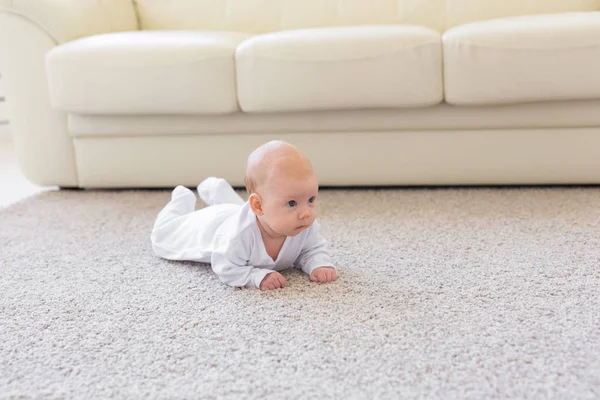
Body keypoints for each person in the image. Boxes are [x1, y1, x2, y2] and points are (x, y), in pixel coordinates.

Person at [151, 140, 337, 290]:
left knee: (238, 208)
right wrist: (255, 276)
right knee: (164, 235)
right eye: (292, 203)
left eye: (311, 199)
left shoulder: (302, 223)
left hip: (247, 212)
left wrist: (319, 264)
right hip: (214, 224)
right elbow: (226, 267)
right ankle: (181, 199)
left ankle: (217, 190)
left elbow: (312, 249)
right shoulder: (237, 235)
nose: (306, 213)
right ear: (257, 205)